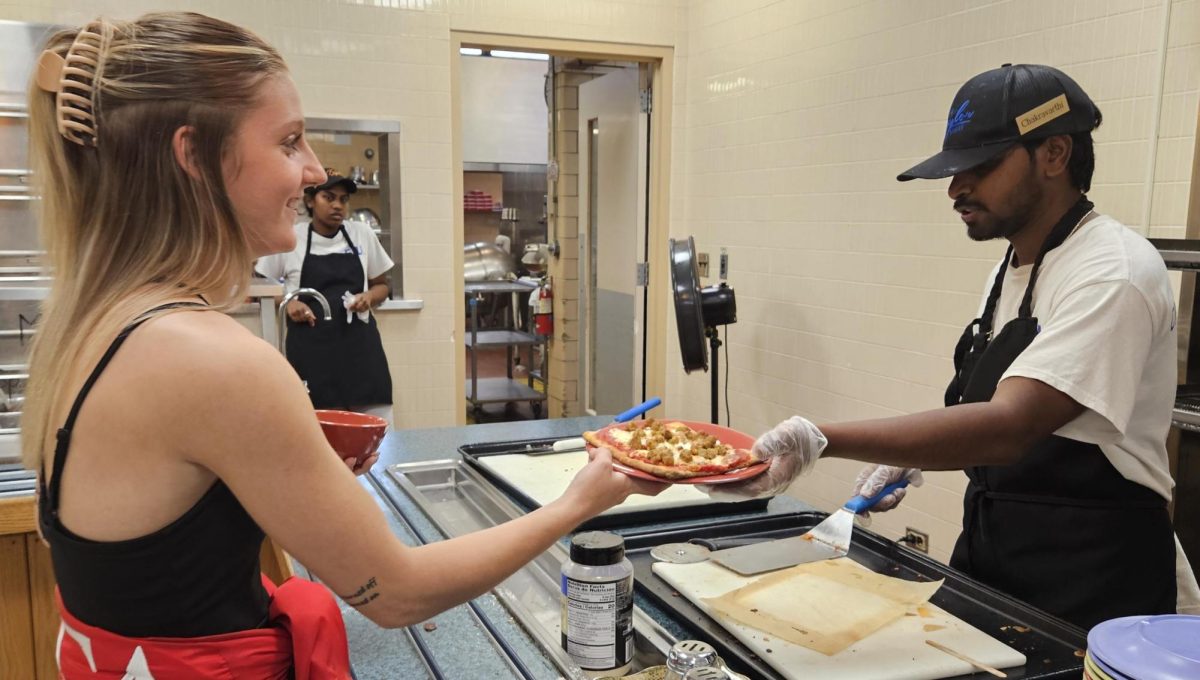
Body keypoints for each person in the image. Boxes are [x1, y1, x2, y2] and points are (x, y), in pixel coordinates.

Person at [24, 13, 664, 678]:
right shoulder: (210, 358)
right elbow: (398, 592)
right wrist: (579, 502)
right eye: (289, 141)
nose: (313, 170)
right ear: (194, 157)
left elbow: (152, 556)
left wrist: (282, 464)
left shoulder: (90, 323)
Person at [706, 64, 1200, 630]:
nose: (956, 189)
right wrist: (908, 455)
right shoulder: (1009, 269)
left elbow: (1011, 425)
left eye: (980, 166)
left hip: (1096, 583)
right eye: (953, 171)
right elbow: (981, 411)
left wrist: (823, 439)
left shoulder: (1114, 271)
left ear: (1055, 154)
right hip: (997, 557)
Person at [256, 171, 394, 426]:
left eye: (343, 199)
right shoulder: (291, 237)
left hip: (360, 349)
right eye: (328, 197)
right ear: (310, 201)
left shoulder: (361, 233)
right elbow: (262, 286)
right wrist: (290, 302)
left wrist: (368, 297)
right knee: (315, 429)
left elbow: (381, 286)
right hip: (311, 350)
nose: (337, 206)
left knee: (373, 431)